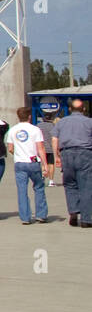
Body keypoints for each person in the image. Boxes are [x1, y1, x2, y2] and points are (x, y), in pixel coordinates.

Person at [50, 98, 92, 228]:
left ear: (69, 109)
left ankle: (73, 211)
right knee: (86, 186)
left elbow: (54, 139)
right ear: (83, 109)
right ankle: (86, 219)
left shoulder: (62, 122)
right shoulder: (89, 122)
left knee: (69, 183)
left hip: (66, 154)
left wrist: (56, 156)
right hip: (85, 153)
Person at [6, 107, 50, 224]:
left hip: (20, 162)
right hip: (33, 161)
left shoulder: (13, 130)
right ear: (29, 116)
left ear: (18, 116)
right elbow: (40, 148)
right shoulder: (35, 129)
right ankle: (41, 214)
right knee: (39, 187)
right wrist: (45, 165)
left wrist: (18, 153)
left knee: (22, 190)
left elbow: (10, 148)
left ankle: (25, 217)